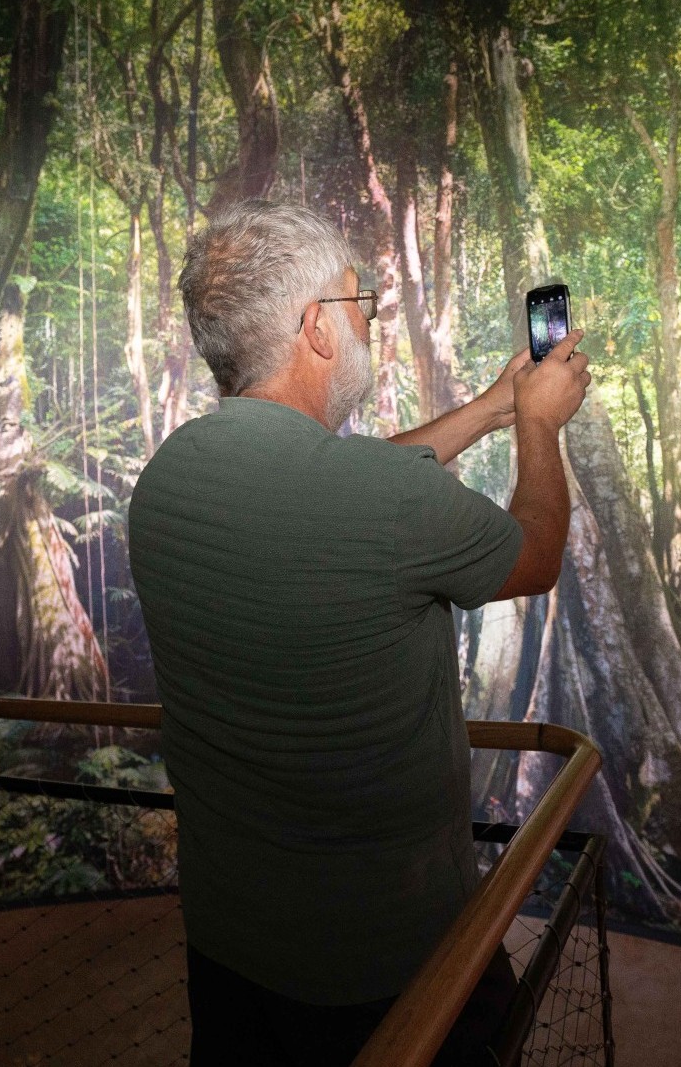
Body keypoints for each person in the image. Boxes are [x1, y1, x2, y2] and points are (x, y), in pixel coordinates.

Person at [128, 200, 590, 1066]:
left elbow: (360, 483)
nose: (369, 321)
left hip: (231, 939)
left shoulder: (170, 474)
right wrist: (537, 423)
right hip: (389, 954)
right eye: (359, 303)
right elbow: (532, 557)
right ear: (316, 328)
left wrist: (491, 408)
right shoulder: (380, 499)